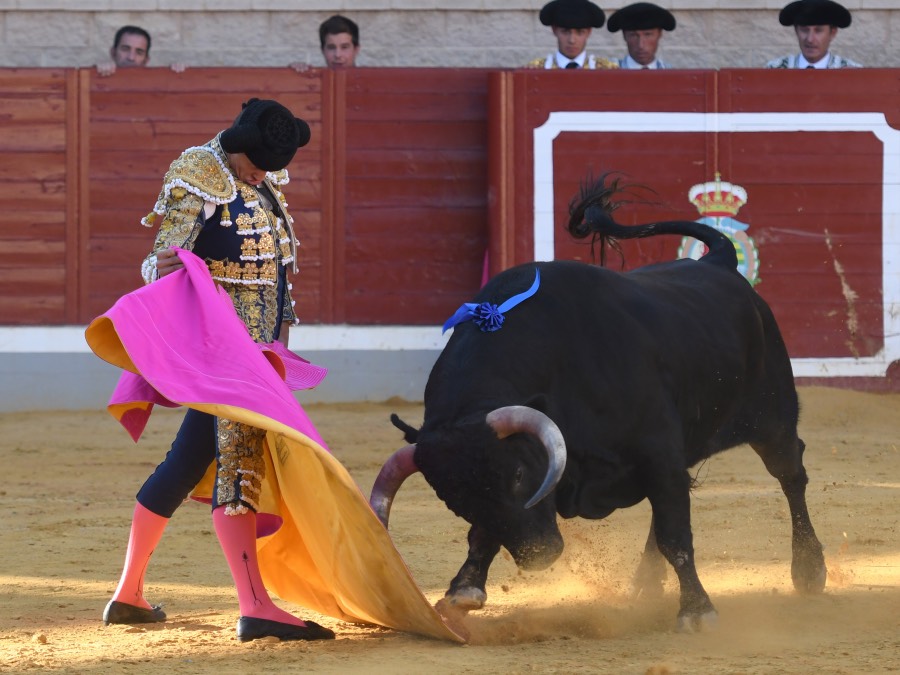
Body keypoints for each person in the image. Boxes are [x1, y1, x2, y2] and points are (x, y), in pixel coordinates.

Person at [102, 98, 335, 643]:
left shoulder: (263, 184)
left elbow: (277, 275)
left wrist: (279, 347)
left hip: (256, 354)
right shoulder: (197, 174)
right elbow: (161, 262)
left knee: (186, 463)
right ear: (237, 149)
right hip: (221, 352)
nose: (264, 174)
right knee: (238, 463)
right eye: (257, 164)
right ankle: (255, 607)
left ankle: (128, 594)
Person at [765, 0, 860, 69]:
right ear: (796, 31)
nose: (810, 39)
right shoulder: (775, 69)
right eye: (804, 30)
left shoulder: (852, 72)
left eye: (818, 31)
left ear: (832, 33)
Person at [525, 0, 618, 69]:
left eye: (580, 32)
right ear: (554, 30)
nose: (572, 40)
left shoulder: (606, 70)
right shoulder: (535, 69)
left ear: (589, 32)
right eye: (565, 32)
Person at [95, 25, 186, 77]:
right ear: (113, 52)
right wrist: (96, 71)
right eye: (125, 49)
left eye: (139, 52)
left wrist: (178, 74)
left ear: (146, 60)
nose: (131, 57)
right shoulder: (97, 75)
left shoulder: (157, 83)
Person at [607, 2, 676, 69]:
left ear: (659, 34)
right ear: (624, 36)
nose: (641, 45)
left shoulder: (673, 75)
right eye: (633, 35)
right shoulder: (608, 74)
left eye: (648, 35)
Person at [290, 14, 360, 72]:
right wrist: (292, 74)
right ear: (322, 50)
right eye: (331, 47)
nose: (337, 55)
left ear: (356, 50)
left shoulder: (370, 82)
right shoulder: (312, 81)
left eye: (344, 47)